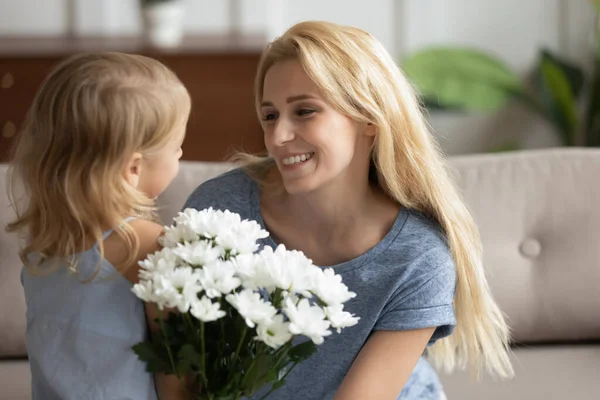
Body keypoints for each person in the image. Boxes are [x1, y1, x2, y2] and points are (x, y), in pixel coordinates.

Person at [183, 21, 514, 399]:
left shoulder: (417, 260)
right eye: (270, 116)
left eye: (305, 111)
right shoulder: (219, 210)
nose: (277, 137)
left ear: (369, 119)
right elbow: (180, 358)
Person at [6, 52, 191, 399]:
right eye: (177, 147)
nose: (181, 154)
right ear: (133, 168)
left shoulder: (44, 244)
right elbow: (176, 369)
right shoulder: (148, 247)